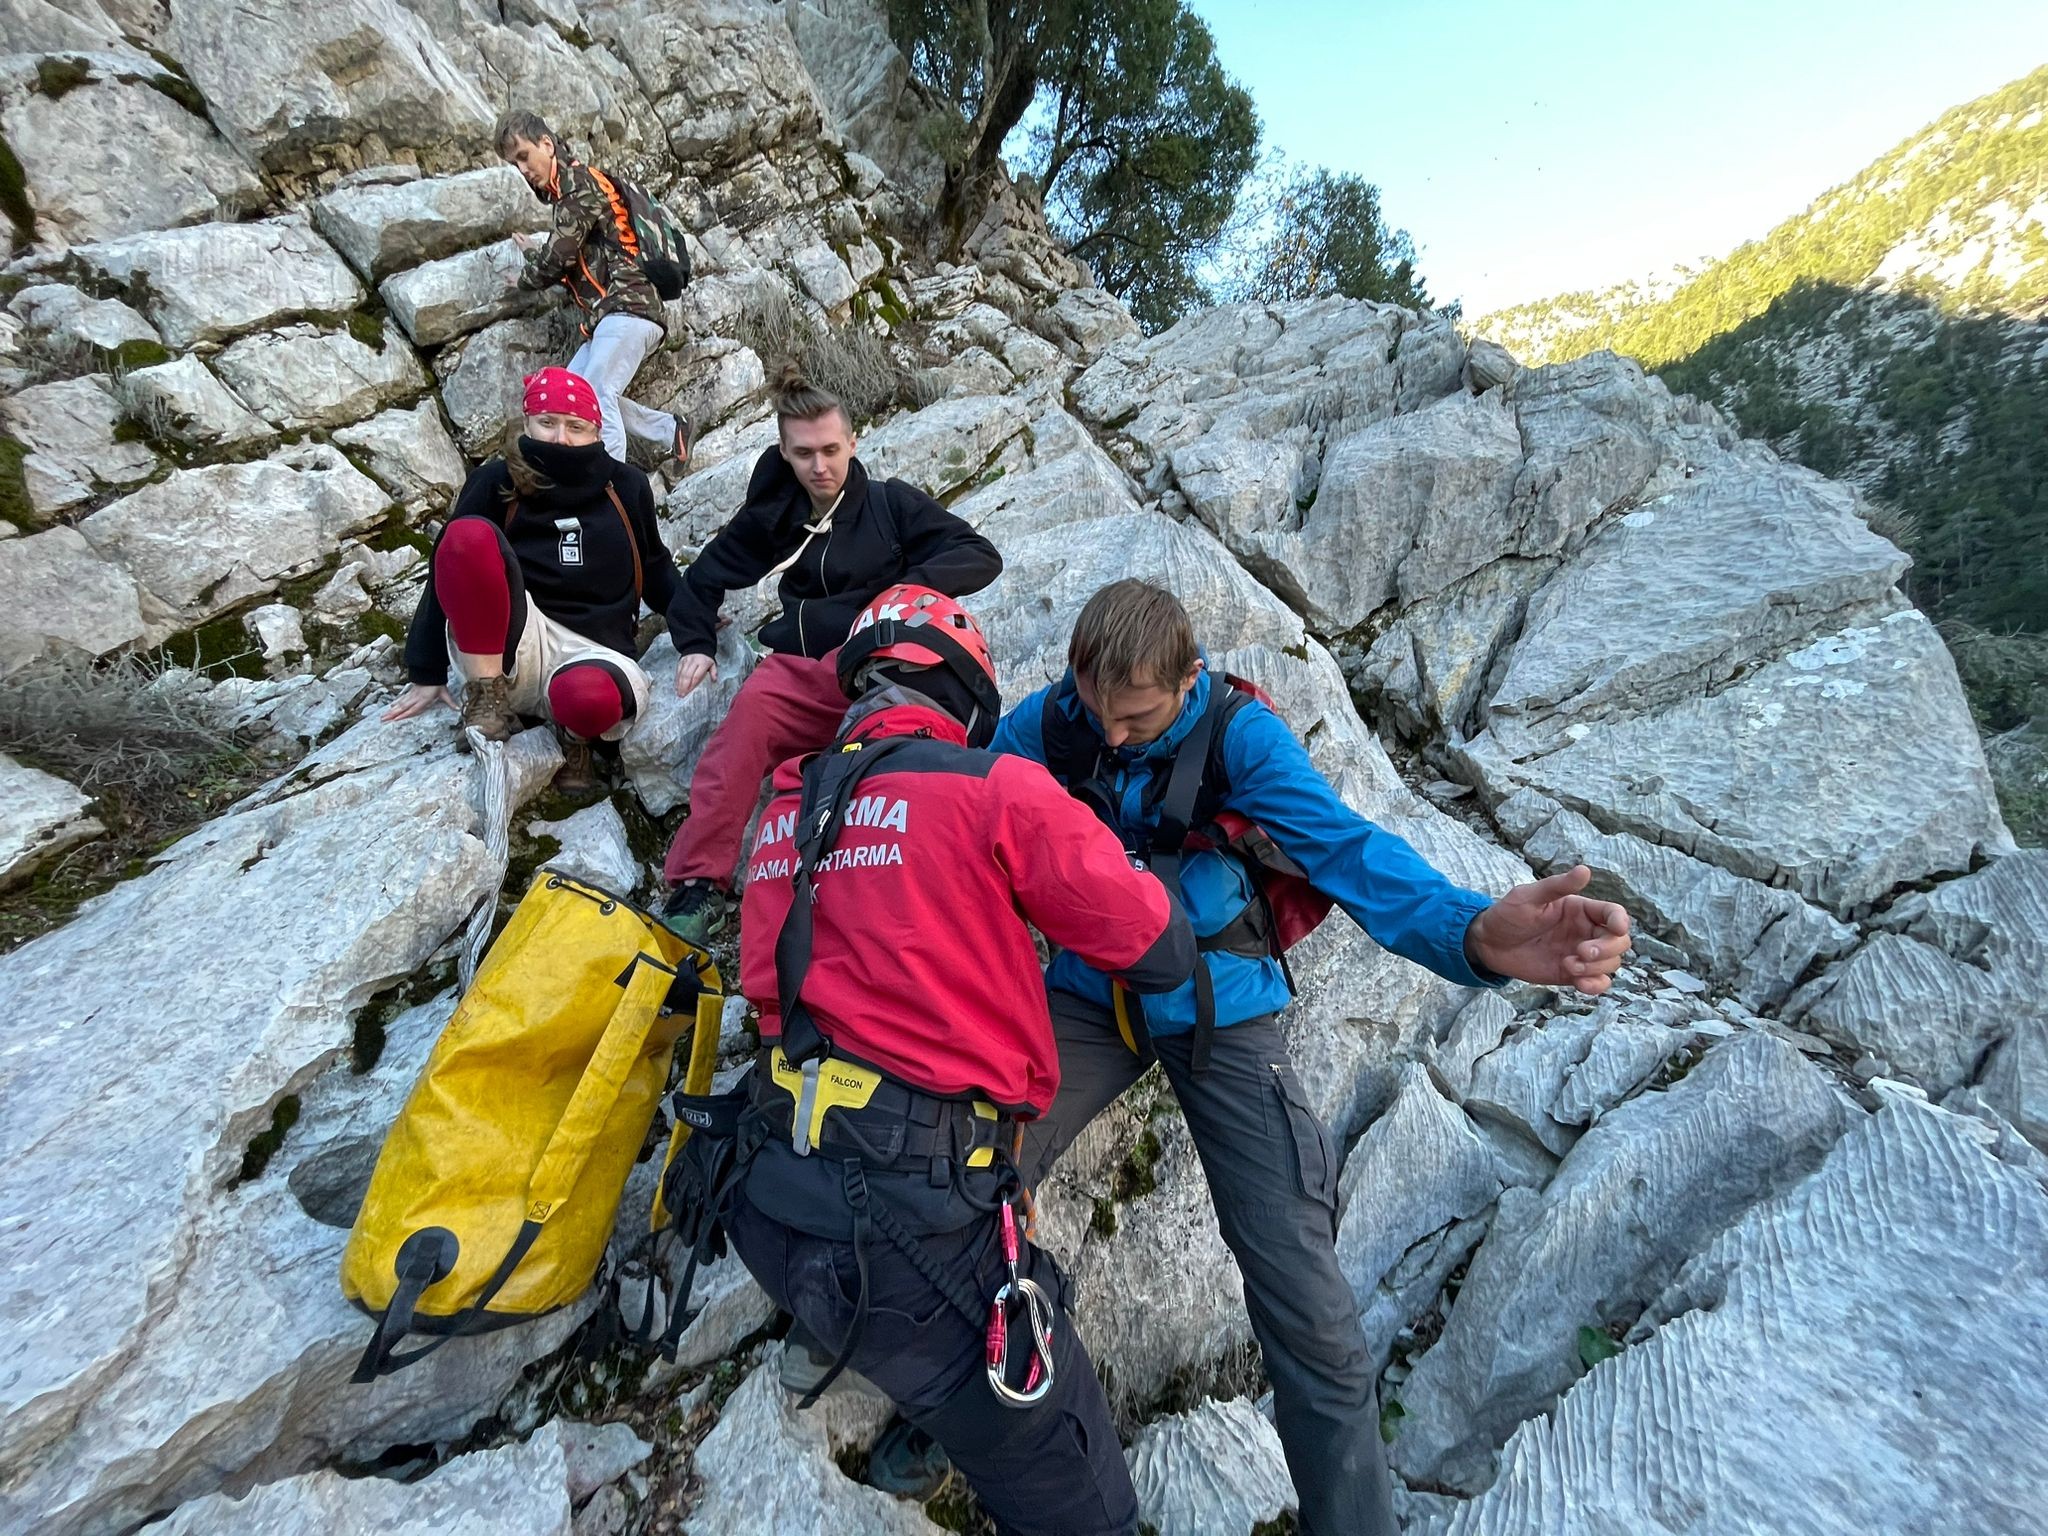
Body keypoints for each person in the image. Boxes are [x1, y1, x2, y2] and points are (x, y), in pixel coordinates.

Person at [980, 578, 1632, 1536]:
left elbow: (1350, 852)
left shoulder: (1241, 738)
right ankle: (981, 1395)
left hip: (1222, 1013)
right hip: (1088, 997)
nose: (1111, 738)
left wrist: (1477, 935)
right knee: (967, 1167)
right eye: (1095, 712)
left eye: (1136, 716)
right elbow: (964, 819)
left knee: (1306, 1302)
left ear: (1188, 679)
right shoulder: (1055, 724)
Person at [718, 584, 1196, 1536]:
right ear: (971, 701)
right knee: (1082, 1500)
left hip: (765, 1195)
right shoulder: (992, 788)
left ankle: (833, 1343)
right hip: (911, 1229)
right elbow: (1160, 947)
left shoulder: (781, 806)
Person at [656, 366, 1002, 943]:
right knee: (741, 734)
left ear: (853, 442)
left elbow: (978, 554)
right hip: (806, 671)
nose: (820, 467)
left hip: (885, 669)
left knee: (904, 779)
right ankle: (697, 886)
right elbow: (705, 575)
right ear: (785, 453)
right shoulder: (775, 515)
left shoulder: (891, 506)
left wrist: (896, 595)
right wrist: (694, 642)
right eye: (804, 453)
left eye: (832, 450)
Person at [384, 367, 689, 793]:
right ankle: (487, 698)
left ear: (596, 431)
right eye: (547, 423)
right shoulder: (496, 480)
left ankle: (575, 737)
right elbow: (452, 564)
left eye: (575, 427)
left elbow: (654, 566)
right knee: (468, 535)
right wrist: (426, 668)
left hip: (595, 646)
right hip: (517, 641)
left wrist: (696, 624)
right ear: (527, 424)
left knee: (589, 698)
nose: (561, 439)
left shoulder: (628, 485)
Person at [496, 110, 690, 473]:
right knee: (573, 399)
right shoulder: (567, 193)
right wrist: (536, 253)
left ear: (546, 144)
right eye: (514, 163)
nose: (522, 169)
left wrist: (524, 278)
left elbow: (558, 258)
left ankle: (610, 485)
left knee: (597, 395)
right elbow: (568, 253)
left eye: (523, 156)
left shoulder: (577, 186)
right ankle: (671, 430)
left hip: (629, 310)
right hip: (613, 316)